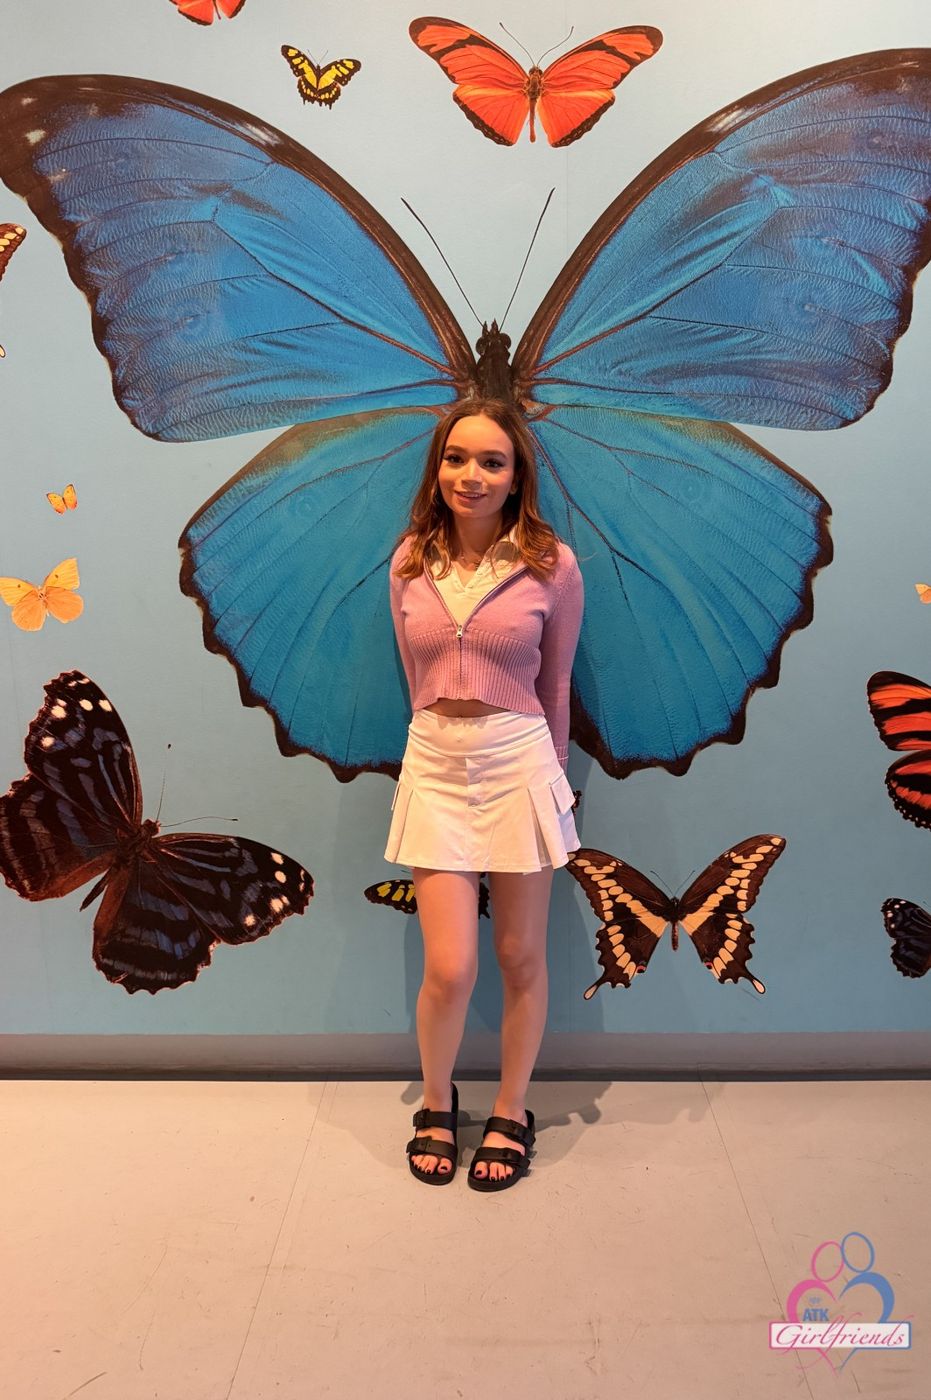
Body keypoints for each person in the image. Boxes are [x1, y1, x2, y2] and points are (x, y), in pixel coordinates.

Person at [385, 397, 584, 1192]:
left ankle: (510, 1110)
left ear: (515, 475)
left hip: (517, 760)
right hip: (435, 761)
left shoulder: (551, 565)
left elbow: (557, 682)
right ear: (437, 468)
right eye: (456, 458)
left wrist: (556, 780)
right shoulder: (409, 561)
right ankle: (436, 1103)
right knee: (450, 967)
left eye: (491, 462)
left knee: (519, 955)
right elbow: (412, 675)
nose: (471, 475)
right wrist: (428, 743)